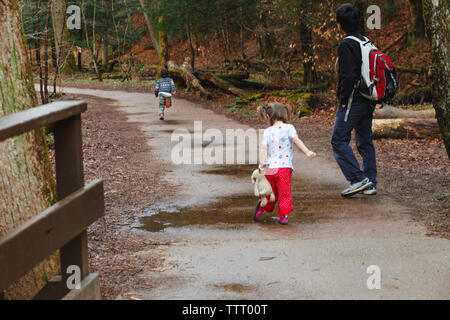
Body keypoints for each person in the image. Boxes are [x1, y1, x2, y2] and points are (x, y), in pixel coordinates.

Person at [332, 3, 377, 198]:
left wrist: (343, 98)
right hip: (368, 98)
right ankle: (370, 182)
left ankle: (358, 179)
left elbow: (348, 76)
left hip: (354, 99)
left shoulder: (346, 43)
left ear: (340, 24)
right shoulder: (365, 40)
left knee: (338, 139)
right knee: (365, 141)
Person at [254, 102, 317, 225]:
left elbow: (263, 149)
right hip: (284, 168)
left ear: (268, 117)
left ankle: (263, 206)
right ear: (284, 114)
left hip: (270, 168)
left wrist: (261, 164)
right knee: (284, 193)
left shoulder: (267, 131)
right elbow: (296, 141)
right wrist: (307, 151)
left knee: (270, 193)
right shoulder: (289, 128)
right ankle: (283, 216)